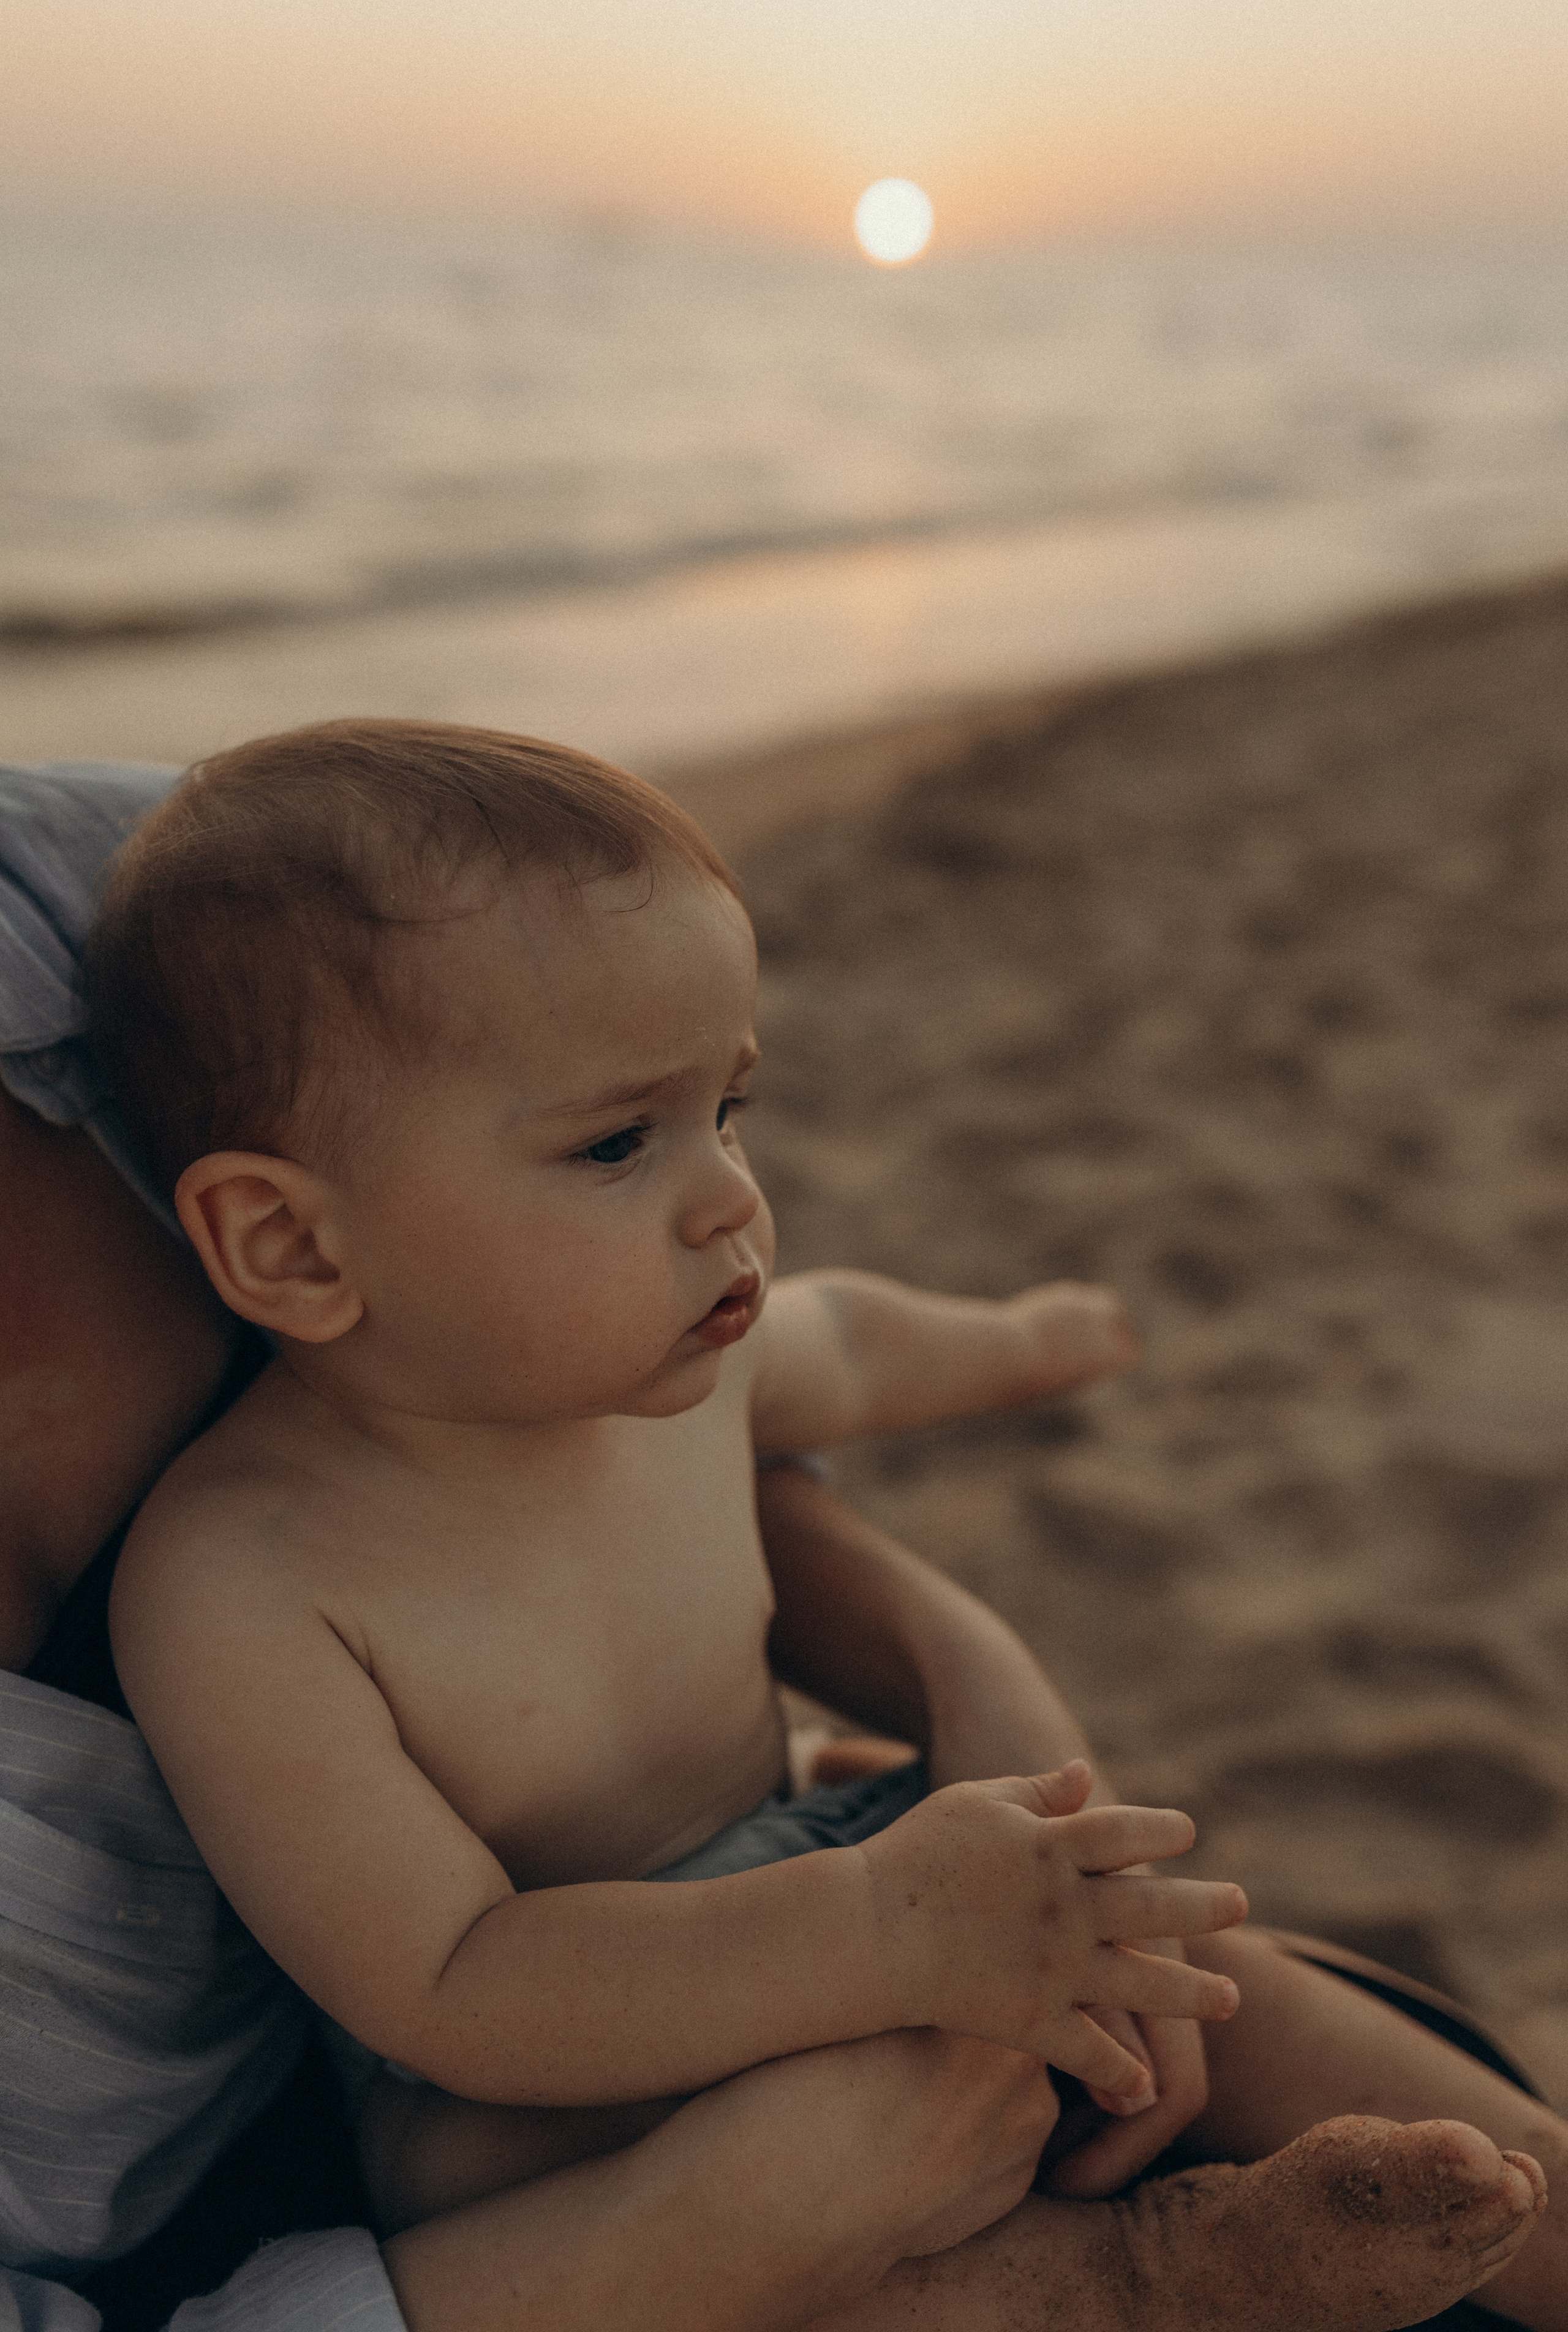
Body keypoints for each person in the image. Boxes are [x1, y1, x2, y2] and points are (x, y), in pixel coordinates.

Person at [58, 719, 1561, 2332]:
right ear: (290, 1244)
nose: (728, 1201)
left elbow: (854, 1341)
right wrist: (869, 1932)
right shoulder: (243, 1580)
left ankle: (1539, 2199)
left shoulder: (673, 1365)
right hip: (571, 2076)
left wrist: (1029, 1342)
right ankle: (1144, 2273)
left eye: (732, 1111)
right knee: (759, 2267)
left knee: (1225, 1978)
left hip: (858, 1866)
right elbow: (449, 1981)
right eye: (620, 1142)